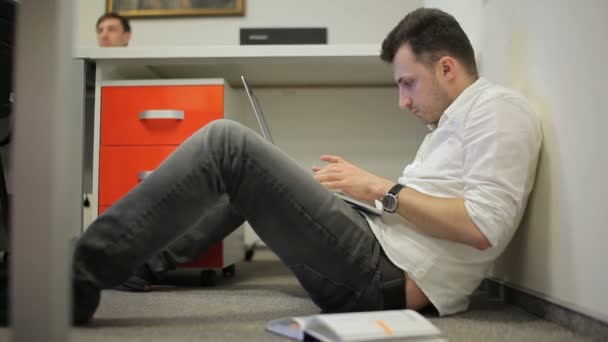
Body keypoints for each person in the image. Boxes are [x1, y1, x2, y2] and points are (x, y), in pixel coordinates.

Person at [0, 7, 542, 326]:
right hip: (376, 249)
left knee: (226, 144)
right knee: (250, 179)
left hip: (384, 280)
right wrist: (359, 195)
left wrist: (378, 187)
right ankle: (136, 265)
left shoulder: (500, 111)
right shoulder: (453, 121)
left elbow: (483, 229)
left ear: (446, 67)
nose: (403, 100)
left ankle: (74, 275)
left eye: (407, 82)